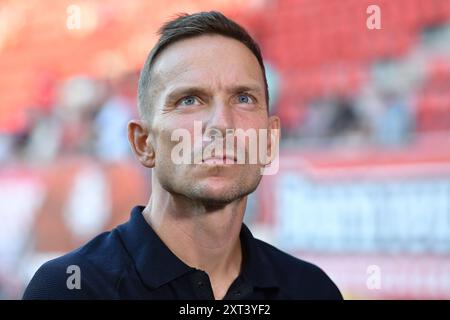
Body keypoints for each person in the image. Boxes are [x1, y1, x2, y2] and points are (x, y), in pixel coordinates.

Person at [23, 11, 342, 300]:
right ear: (143, 142)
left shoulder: (311, 290)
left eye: (243, 98)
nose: (221, 124)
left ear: (270, 141)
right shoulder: (69, 289)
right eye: (190, 100)